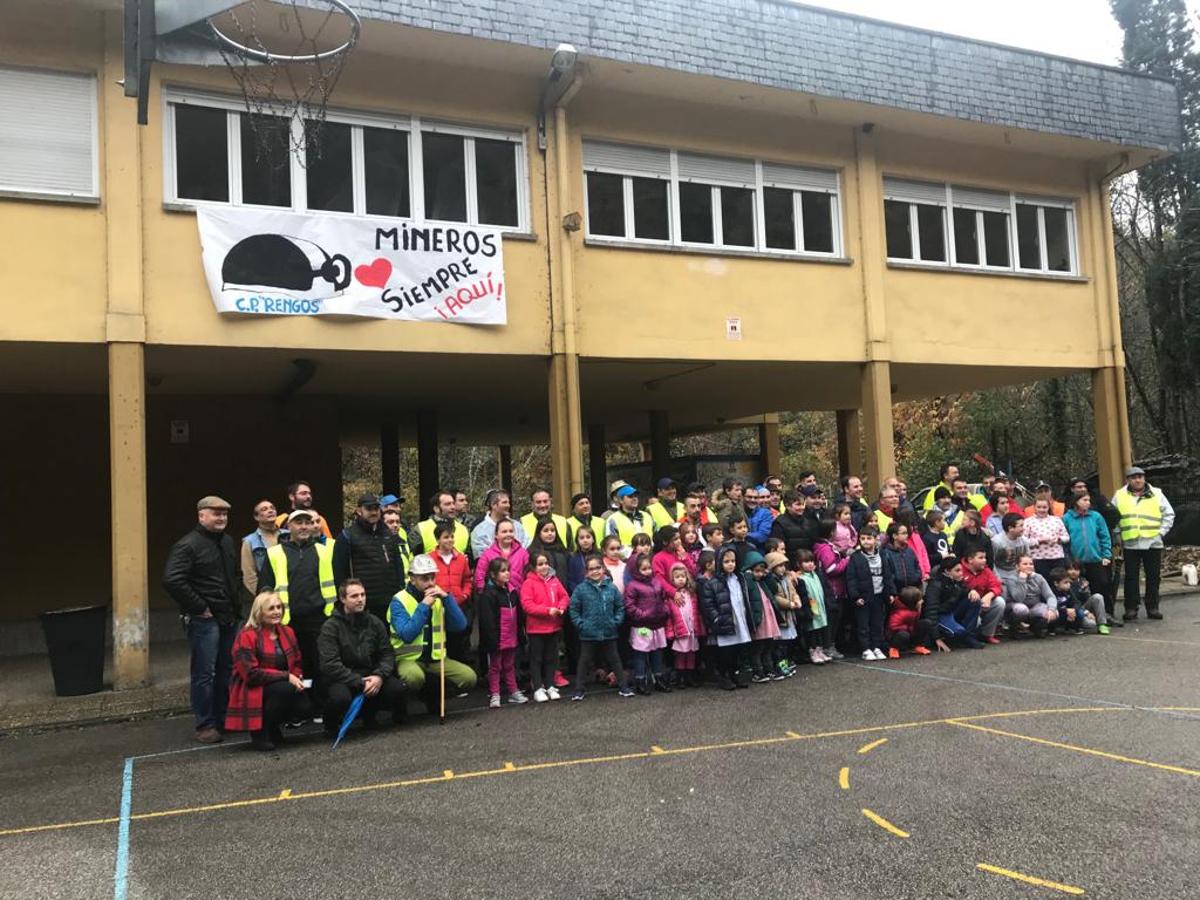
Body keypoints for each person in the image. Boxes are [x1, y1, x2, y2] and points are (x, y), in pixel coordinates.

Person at [163, 495, 243, 744]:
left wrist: (236, 605)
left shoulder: (227, 542)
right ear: (201, 516)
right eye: (216, 513)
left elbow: (234, 575)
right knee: (204, 673)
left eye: (225, 514)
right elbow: (172, 579)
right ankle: (205, 724)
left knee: (226, 669)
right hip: (204, 620)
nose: (221, 518)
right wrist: (199, 607)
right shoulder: (188, 545)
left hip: (228, 616)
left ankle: (223, 718)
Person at [259, 509, 336, 705]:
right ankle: (300, 707)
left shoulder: (326, 551)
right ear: (288, 527)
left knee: (319, 664)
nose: (303, 526)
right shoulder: (275, 553)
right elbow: (265, 587)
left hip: (320, 618)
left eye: (307, 522)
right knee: (294, 666)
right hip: (287, 621)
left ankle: (318, 705)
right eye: (298, 522)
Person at [387, 554, 477, 707]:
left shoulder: (439, 598)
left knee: (469, 678)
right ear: (412, 578)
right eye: (424, 579)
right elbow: (407, 634)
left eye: (432, 578)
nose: (430, 583)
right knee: (414, 678)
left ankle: (436, 694)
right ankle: (419, 698)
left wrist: (447, 599)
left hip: (436, 659)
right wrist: (423, 606)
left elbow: (460, 626)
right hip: (409, 659)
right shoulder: (399, 600)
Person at [318, 579, 407, 735]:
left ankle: (372, 716)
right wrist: (357, 681)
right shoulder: (330, 627)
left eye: (362, 595)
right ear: (343, 599)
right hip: (342, 679)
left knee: (397, 688)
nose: (360, 599)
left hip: (371, 675)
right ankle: (330, 725)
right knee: (340, 698)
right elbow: (330, 664)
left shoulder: (374, 622)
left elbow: (387, 653)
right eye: (354, 596)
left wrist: (379, 676)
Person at [224, 591, 308, 752]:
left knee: (305, 707)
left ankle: (273, 726)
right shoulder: (246, 636)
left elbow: (297, 660)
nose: (277, 611)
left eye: (279, 607)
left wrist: (297, 676)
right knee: (285, 690)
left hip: (281, 683)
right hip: (252, 686)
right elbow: (251, 674)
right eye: (271, 608)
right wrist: (287, 677)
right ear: (259, 612)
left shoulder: (287, 631)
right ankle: (260, 731)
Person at [1113, 466, 1175, 621]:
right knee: (1131, 577)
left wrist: (1161, 532)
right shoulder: (1119, 495)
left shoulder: (1157, 493)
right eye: (1134, 477)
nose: (1138, 480)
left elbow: (1169, 514)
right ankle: (1131, 608)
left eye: (1140, 476)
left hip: (1153, 542)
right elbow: (1113, 516)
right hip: (1131, 542)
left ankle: (1153, 607)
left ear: (1144, 478)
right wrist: (1118, 535)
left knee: (1153, 577)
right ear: (1128, 480)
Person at [332, 494, 405, 623]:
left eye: (376, 508)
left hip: (389, 602)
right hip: (363, 604)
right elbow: (339, 572)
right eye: (369, 509)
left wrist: (400, 590)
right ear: (359, 510)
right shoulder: (347, 536)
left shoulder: (388, 533)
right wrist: (346, 599)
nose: (374, 512)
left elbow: (398, 565)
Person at [568, 554, 632, 700]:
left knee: (615, 660)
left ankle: (623, 687)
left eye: (598, 568)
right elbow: (573, 609)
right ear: (586, 572)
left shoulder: (612, 588)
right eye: (591, 569)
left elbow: (620, 606)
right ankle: (579, 689)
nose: (595, 571)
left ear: (603, 568)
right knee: (584, 661)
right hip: (588, 632)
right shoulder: (580, 589)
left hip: (609, 630)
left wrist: (616, 621)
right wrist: (580, 625)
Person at [698, 546, 757, 690]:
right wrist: (717, 619)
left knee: (738, 649)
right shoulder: (712, 584)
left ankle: (734, 674)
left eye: (733, 561)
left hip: (739, 619)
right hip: (725, 621)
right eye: (726, 562)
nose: (731, 564)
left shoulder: (739, 579)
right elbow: (708, 605)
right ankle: (724, 676)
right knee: (726, 652)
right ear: (719, 563)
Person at [478, 557, 529, 707]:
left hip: (511, 636)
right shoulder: (488, 595)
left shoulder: (512, 592)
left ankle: (513, 691)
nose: (507, 574)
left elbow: (518, 616)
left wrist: (520, 634)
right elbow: (487, 621)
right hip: (497, 638)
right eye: (503, 571)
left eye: (508, 570)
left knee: (509, 665)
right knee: (495, 666)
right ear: (493, 575)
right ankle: (495, 693)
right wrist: (492, 640)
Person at [520, 550, 571, 701]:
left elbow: (564, 596)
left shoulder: (554, 580)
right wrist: (547, 611)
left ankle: (549, 685)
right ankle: (537, 687)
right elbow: (528, 606)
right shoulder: (528, 583)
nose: (544, 567)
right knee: (536, 659)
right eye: (540, 564)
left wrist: (561, 607)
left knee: (551, 658)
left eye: (546, 564)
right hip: (536, 629)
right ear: (533, 567)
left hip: (553, 627)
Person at [1062, 493, 1119, 627]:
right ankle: (1081, 616)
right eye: (1085, 500)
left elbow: (1104, 536)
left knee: (1102, 586)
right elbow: (1064, 540)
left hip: (1095, 559)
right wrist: (1068, 559)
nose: (1088, 502)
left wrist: (1106, 555)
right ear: (1076, 502)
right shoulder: (1067, 518)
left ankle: (1106, 615)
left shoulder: (1096, 516)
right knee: (1076, 589)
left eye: (1089, 500)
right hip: (1076, 561)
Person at [623, 552, 672, 694]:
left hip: (657, 624)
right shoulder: (632, 586)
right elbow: (630, 606)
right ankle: (640, 680)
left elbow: (663, 598)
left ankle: (659, 678)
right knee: (640, 654)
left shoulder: (656, 582)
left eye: (649, 568)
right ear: (635, 570)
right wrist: (643, 615)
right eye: (643, 569)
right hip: (641, 626)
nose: (647, 571)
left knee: (657, 653)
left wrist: (665, 610)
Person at [845, 528, 895, 660]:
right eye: (862, 539)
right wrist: (856, 596)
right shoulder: (856, 557)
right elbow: (851, 578)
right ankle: (866, 648)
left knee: (877, 623)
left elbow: (888, 575)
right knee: (863, 624)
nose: (865, 541)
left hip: (879, 595)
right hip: (863, 596)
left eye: (869, 538)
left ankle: (876, 647)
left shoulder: (882, 555)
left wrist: (890, 592)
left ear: (876, 539)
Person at [430, 521, 474, 666]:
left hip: (458, 606)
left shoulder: (461, 558)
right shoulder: (429, 558)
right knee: (441, 643)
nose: (449, 540)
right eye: (445, 537)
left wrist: (465, 595)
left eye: (451, 536)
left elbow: (467, 579)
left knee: (458, 643)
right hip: (437, 608)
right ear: (438, 539)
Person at [922, 555, 983, 650]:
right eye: (957, 571)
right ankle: (960, 636)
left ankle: (968, 637)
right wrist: (937, 638)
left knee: (974, 600)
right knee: (959, 632)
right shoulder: (935, 585)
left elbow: (964, 589)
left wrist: (972, 591)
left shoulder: (956, 580)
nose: (961, 573)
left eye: (961, 570)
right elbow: (931, 611)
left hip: (952, 611)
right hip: (940, 616)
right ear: (947, 571)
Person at [811, 520, 849, 660]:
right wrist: (846, 560)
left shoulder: (825, 546)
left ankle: (827, 646)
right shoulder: (825, 549)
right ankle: (828, 646)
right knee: (832, 619)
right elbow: (831, 568)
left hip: (833, 589)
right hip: (832, 589)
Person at [743, 551, 781, 682]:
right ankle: (758, 672)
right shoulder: (749, 581)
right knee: (758, 647)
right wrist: (748, 575)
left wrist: (768, 575)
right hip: (759, 619)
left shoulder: (763, 582)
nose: (759, 574)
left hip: (768, 618)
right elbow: (746, 587)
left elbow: (774, 588)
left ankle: (769, 669)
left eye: (762, 571)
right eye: (756, 571)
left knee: (768, 645)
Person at [665, 562, 705, 686]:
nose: (681, 579)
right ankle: (680, 677)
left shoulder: (691, 594)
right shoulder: (671, 597)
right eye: (677, 577)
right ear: (672, 579)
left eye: (683, 576)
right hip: (680, 630)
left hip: (692, 630)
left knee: (691, 653)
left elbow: (696, 612)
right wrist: (671, 631)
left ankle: (690, 676)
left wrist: (699, 628)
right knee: (681, 655)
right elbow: (669, 617)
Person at [792, 549, 833, 665]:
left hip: (820, 606)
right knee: (812, 631)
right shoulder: (799, 579)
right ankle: (813, 651)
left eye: (811, 561)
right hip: (810, 607)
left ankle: (820, 650)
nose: (810, 564)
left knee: (821, 629)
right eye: (806, 562)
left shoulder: (816, 575)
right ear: (799, 564)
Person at [473, 517, 530, 597]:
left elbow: (529, 574)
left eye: (511, 531)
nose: (508, 534)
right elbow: (480, 575)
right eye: (504, 532)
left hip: (518, 596)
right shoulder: (488, 554)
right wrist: (483, 592)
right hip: (495, 597)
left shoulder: (523, 553)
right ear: (496, 535)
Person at [960, 548, 1005, 645]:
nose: (984, 560)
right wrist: (970, 591)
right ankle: (967, 636)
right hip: (965, 606)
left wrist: (989, 595)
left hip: (982, 602)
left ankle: (987, 635)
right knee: (977, 622)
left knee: (999, 602)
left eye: (985, 557)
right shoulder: (960, 569)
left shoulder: (986, 570)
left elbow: (997, 586)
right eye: (980, 558)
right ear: (970, 559)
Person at [1005, 555, 1058, 637]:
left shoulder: (1039, 577)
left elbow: (1050, 596)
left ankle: (1036, 627)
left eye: (1031, 564)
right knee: (1022, 609)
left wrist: (1051, 609)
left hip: (1034, 606)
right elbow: (1019, 598)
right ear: (1017, 566)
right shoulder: (1011, 579)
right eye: (1025, 564)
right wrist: (1022, 580)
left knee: (1055, 612)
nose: (1029, 566)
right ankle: (1013, 628)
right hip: (1016, 606)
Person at [470, 489, 528, 558]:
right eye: (504, 502)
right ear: (493, 505)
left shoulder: (517, 526)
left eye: (508, 502)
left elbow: (526, 547)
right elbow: (482, 557)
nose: (508, 505)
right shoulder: (479, 530)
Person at [411, 490, 470, 557]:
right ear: (436, 509)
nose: (453, 507)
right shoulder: (421, 529)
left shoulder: (464, 529)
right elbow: (412, 559)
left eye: (453, 503)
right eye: (447, 504)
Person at [240, 499, 279, 597]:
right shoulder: (250, 541)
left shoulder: (287, 535)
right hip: (266, 591)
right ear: (256, 517)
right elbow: (249, 575)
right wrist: (262, 595)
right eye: (264, 509)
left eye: (272, 508)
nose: (270, 511)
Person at [1024, 498, 1070, 580]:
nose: (1042, 510)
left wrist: (1058, 539)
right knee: (1043, 582)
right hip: (1038, 559)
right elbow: (1024, 541)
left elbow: (1066, 537)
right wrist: (1038, 541)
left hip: (1057, 557)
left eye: (1044, 507)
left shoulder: (1056, 520)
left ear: (1049, 507)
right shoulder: (1028, 522)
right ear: (1034, 507)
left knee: (1058, 582)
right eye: (1039, 507)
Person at [1064, 560, 1112, 635]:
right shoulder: (1064, 583)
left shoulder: (1083, 581)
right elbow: (1073, 601)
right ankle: (1071, 625)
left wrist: (1084, 590)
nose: (1073, 572)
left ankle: (1102, 624)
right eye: (1070, 569)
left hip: (1083, 607)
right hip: (1072, 610)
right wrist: (1085, 612)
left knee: (1098, 597)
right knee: (1090, 624)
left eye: (1076, 569)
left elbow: (1088, 599)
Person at [771, 487, 822, 556]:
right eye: (798, 504)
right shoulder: (780, 523)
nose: (802, 507)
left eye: (803, 504)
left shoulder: (808, 522)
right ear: (787, 506)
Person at [886, 586, 932, 657]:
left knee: (926, 623)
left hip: (909, 630)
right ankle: (893, 648)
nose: (922, 601)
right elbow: (892, 627)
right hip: (896, 635)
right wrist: (908, 628)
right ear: (913, 602)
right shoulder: (901, 613)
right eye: (920, 600)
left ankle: (918, 646)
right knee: (904, 635)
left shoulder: (914, 608)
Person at [606, 484, 653, 548]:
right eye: (630, 496)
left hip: (648, 557)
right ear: (621, 500)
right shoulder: (612, 519)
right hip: (625, 557)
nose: (634, 499)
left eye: (636, 496)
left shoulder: (647, 516)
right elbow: (611, 546)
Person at [882, 522, 923, 594]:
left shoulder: (910, 550)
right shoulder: (886, 553)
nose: (906, 536)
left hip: (912, 589)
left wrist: (916, 578)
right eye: (903, 533)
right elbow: (888, 574)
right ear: (895, 536)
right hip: (897, 591)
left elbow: (917, 566)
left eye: (906, 533)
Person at [566, 525, 599, 592]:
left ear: (593, 539)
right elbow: (571, 581)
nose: (585, 540)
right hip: (581, 595)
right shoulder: (573, 558)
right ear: (577, 541)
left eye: (588, 537)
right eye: (582, 538)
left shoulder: (599, 556)